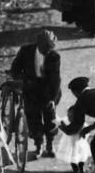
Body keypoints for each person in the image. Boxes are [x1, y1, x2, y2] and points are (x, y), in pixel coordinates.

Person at [7, 30, 62, 165]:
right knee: (32, 118)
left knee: (50, 117)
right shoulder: (26, 51)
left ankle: (50, 145)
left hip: (48, 89)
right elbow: (15, 69)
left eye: (50, 48)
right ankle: (38, 145)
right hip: (30, 88)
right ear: (39, 44)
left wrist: (52, 99)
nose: (47, 52)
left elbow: (55, 80)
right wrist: (23, 81)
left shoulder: (54, 56)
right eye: (45, 48)